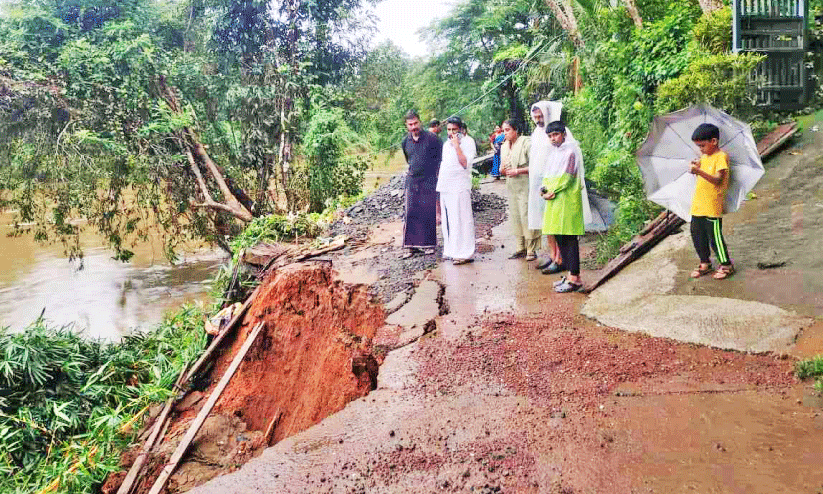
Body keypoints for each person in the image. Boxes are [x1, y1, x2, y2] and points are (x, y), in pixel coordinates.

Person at [541, 121, 592, 293]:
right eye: (550, 136)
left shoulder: (571, 152)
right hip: (554, 199)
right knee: (559, 235)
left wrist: (551, 190)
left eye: (555, 134)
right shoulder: (554, 153)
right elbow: (547, 175)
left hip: (567, 199)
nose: (553, 138)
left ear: (563, 134)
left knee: (569, 237)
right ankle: (570, 274)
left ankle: (575, 278)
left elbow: (568, 177)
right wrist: (543, 191)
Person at [688, 123, 734, 280]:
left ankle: (726, 264)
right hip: (699, 204)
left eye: (702, 145)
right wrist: (697, 167)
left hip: (712, 205)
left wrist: (699, 171)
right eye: (698, 146)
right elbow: (703, 173)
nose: (700, 149)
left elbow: (717, 179)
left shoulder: (721, 157)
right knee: (697, 234)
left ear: (714, 141)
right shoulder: (704, 157)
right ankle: (705, 262)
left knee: (715, 237)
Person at [528, 101, 564, 272]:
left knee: (556, 222)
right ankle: (552, 254)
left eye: (540, 116)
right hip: (540, 184)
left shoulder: (558, 132)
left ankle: (560, 258)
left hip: (555, 183)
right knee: (546, 222)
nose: (538, 120)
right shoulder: (536, 133)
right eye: (535, 117)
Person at [401, 110, 442, 259]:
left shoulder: (432, 139)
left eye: (415, 123)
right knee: (411, 212)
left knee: (427, 211)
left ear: (420, 122)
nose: (414, 127)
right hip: (412, 181)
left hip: (429, 179)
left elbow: (440, 158)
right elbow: (408, 159)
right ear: (406, 126)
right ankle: (410, 246)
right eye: (410, 124)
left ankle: (428, 245)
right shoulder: (405, 141)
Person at [436, 116, 476, 265]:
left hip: (460, 186)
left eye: (454, 130)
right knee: (449, 220)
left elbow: (465, 163)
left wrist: (457, 146)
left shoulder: (468, 142)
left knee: (462, 219)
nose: (451, 133)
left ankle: (465, 253)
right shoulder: (446, 145)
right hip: (446, 186)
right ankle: (452, 250)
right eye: (449, 130)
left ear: (461, 130)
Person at [499, 120, 540, 260]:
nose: (505, 133)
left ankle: (531, 249)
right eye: (503, 130)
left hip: (525, 184)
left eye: (508, 130)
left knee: (526, 215)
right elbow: (502, 169)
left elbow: (536, 165)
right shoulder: (504, 147)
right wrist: (503, 170)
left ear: (516, 130)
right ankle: (520, 247)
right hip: (512, 185)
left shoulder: (526, 143)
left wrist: (518, 170)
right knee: (515, 215)